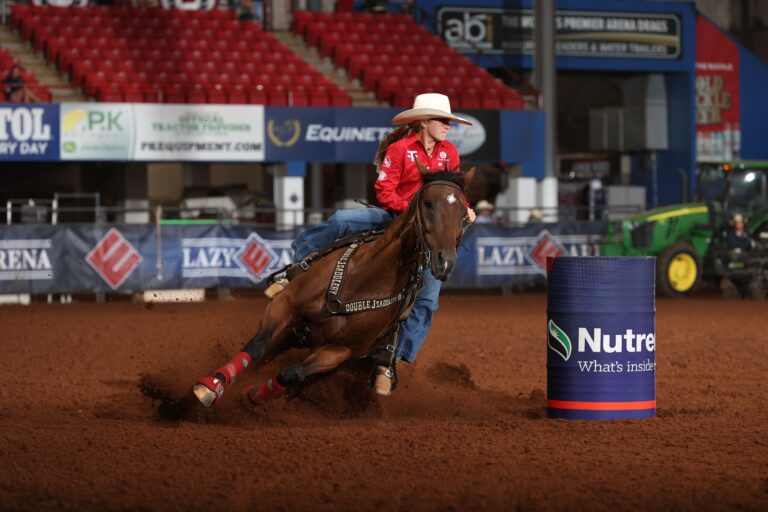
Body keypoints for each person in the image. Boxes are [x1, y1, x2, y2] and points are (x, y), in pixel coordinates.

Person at [267, 93, 476, 395]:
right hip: (394, 218)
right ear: (423, 122)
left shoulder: (449, 153)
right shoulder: (399, 149)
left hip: (428, 229)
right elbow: (385, 190)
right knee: (342, 219)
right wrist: (410, 212)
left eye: (448, 121)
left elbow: (452, 192)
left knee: (428, 300)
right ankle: (294, 271)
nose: (448, 126)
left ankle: (393, 360)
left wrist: (463, 207)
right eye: (443, 120)